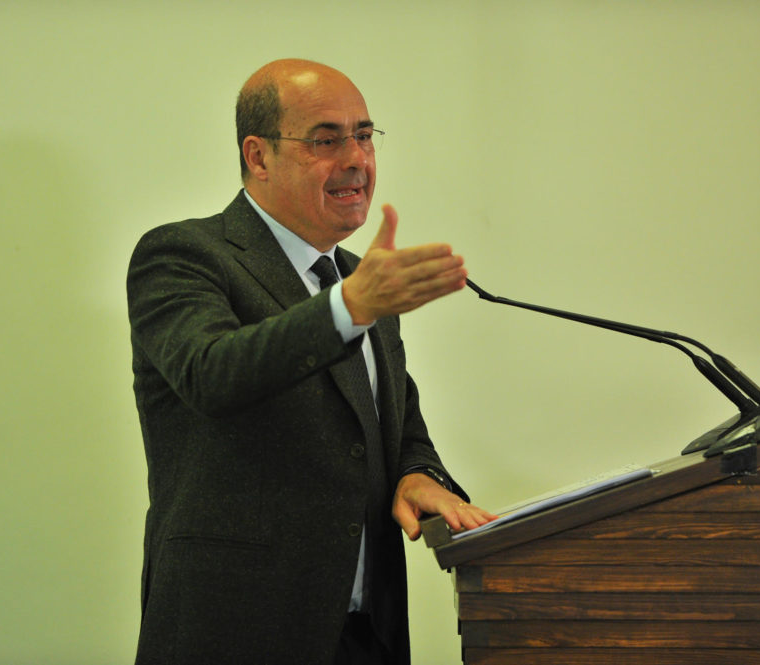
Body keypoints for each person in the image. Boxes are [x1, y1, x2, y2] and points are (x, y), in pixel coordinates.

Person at [126, 58, 496, 664]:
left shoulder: (357, 279)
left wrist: (416, 472)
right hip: (236, 633)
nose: (356, 159)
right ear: (258, 156)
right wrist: (349, 307)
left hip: (366, 635)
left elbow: (394, 423)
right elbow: (212, 373)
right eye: (326, 141)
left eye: (364, 136)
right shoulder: (185, 255)